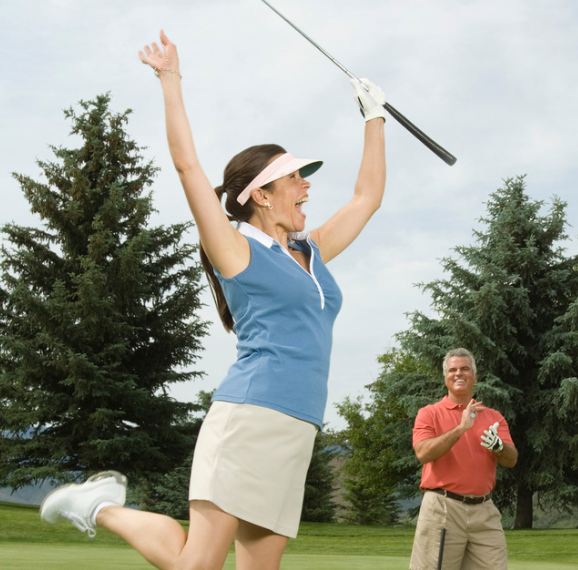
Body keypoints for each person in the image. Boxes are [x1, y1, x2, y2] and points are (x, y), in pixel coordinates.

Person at [39, 30, 386, 570]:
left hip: (298, 427)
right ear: (260, 196)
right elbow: (188, 168)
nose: (306, 187)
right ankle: (102, 507)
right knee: (198, 564)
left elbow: (367, 198)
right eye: (294, 178)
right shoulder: (234, 248)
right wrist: (171, 80)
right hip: (249, 416)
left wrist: (373, 118)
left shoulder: (310, 251)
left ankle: (103, 506)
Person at [409, 348, 518, 570]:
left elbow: (511, 459)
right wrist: (461, 428)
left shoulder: (493, 417)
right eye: (453, 370)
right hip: (442, 508)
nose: (459, 373)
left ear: (474, 376)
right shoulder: (429, 413)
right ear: (446, 377)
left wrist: (498, 446)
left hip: (484, 510)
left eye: (465, 369)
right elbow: (423, 453)